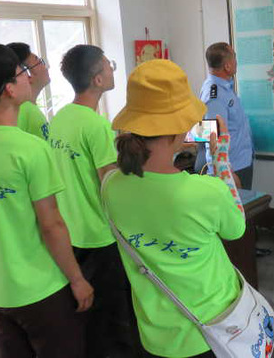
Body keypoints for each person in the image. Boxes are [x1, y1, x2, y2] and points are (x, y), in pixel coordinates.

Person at [0, 43, 93, 358]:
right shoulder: (30, 149)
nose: (29, 77)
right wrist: (77, 279)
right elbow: (51, 225)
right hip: (40, 290)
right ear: (9, 89)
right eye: (22, 72)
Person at [102, 59, 246, 358]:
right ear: (180, 128)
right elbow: (236, 229)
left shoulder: (110, 185)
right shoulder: (205, 191)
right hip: (210, 328)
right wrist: (220, 158)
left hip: (154, 333)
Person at [48, 44, 121, 358]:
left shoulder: (60, 118)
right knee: (113, 320)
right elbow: (111, 183)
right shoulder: (96, 125)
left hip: (71, 234)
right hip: (99, 235)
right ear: (98, 80)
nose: (112, 69)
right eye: (108, 65)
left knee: (87, 317)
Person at [196, 42, 254, 189]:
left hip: (241, 162)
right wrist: (224, 172)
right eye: (234, 57)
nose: (236, 62)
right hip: (231, 169)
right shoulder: (214, 95)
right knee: (237, 204)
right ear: (227, 66)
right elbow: (212, 136)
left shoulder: (225, 87)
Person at [7, 42, 51, 141]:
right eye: (40, 62)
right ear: (27, 73)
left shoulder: (27, 108)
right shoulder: (23, 110)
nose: (47, 67)